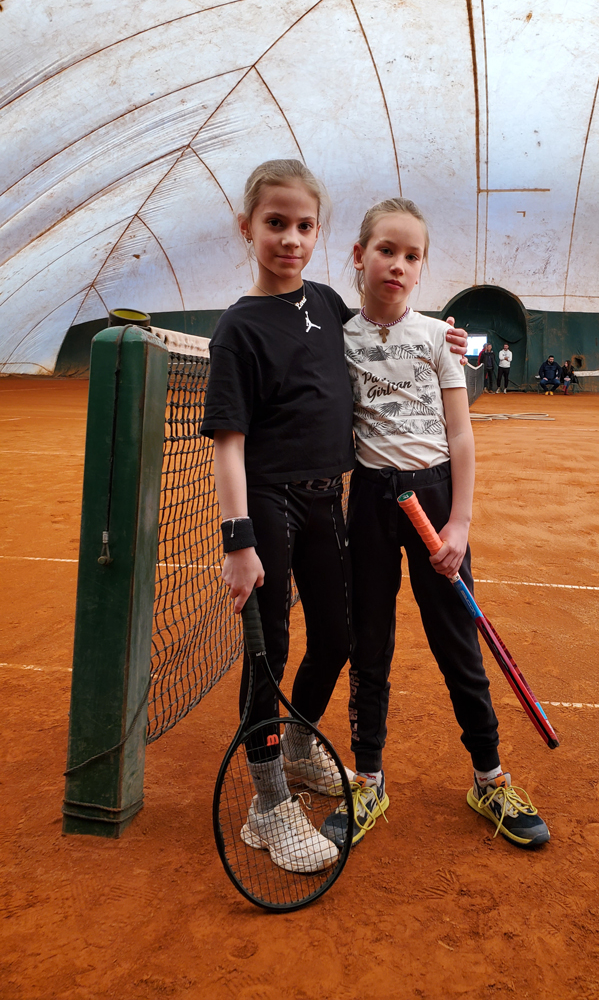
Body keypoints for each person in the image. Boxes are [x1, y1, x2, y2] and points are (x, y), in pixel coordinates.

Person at [201, 161, 467, 874]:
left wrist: (448, 339)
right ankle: (267, 805)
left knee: (340, 634)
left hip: (328, 499)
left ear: (321, 233)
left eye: (304, 225)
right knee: (270, 652)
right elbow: (228, 445)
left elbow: (389, 325)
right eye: (275, 224)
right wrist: (239, 541)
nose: (291, 239)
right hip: (268, 501)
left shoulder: (324, 300)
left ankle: (295, 747)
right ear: (247, 227)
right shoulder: (237, 329)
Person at [322, 198, 549, 852]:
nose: (398, 263)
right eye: (385, 250)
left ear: (422, 268)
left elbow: (461, 434)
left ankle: (489, 776)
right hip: (368, 502)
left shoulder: (434, 338)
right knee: (370, 645)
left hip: (435, 503)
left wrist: (459, 523)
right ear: (359, 256)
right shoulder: (337, 339)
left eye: (412, 255)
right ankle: (367, 779)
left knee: (458, 644)